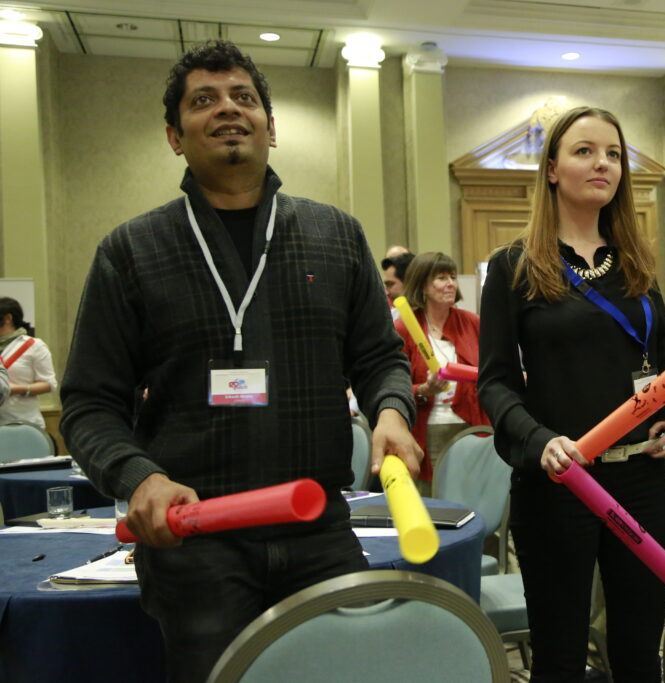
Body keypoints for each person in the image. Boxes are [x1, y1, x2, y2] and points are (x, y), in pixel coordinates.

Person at [59, 40, 421, 682]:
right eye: (204, 100)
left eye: (243, 98)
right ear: (175, 136)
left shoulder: (335, 235)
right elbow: (89, 403)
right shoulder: (131, 251)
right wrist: (139, 478)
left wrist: (391, 411)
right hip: (196, 537)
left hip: (318, 526)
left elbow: (378, 357)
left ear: (271, 128)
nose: (227, 109)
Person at [479, 106, 665, 681]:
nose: (603, 163)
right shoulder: (513, 266)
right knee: (560, 656)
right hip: (558, 483)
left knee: (637, 651)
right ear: (551, 169)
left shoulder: (637, 261)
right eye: (584, 151)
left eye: (614, 154)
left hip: (641, 480)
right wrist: (539, 440)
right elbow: (495, 382)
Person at [395, 251, 489, 494]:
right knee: (436, 500)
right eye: (441, 278)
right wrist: (424, 390)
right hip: (429, 428)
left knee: (472, 498)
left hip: (473, 426)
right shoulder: (404, 327)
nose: (450, 283)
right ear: (422, 286)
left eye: (453, 277)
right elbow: (394, 385)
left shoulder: (472, 322)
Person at [0, 297, 57, 430]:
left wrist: (15, 389)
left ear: (8, 318)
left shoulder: (34, 346)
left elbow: (50, 384)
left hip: (24, 424)